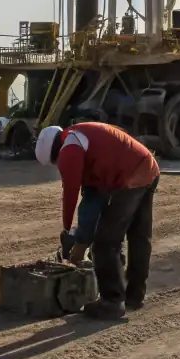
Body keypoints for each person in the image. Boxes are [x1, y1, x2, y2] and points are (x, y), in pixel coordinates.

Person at [36, 121, 159, 319]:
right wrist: (79, 236)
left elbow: (72, 194)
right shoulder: (79, 135)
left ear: (55, 154)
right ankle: (134, 296)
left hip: (131, 176)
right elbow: (92, 198)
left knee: (105, 243)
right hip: (148, 166)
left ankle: (112, 302)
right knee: (138, 237)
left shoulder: (70, 151)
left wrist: (75, 239)